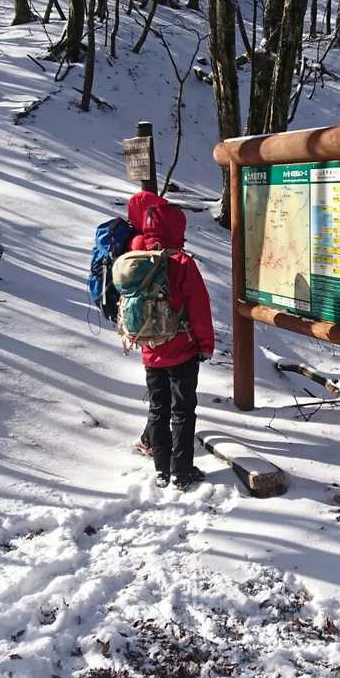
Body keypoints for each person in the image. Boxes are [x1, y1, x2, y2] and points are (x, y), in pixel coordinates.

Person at [125, 190, 215, 490]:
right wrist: (205, 345)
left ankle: (162, 469)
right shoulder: (182, 262)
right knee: (183, 412)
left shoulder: (136, 258)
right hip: (182, 350)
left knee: (158, 409)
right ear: (177, 228)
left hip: (150, 349)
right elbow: (199, 308)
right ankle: (182, 471)